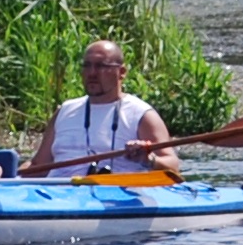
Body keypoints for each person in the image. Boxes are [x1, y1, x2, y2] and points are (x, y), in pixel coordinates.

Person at [27, 39, 176, 178]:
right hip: (60, 194)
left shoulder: (142, 115)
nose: (92, 73)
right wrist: (7, 176)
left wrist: (149, 159)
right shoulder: (65, 111)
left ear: (121, 72)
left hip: (116, 195)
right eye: (87, 66)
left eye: (101, 66)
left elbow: (173, 167)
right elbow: (39, 165)